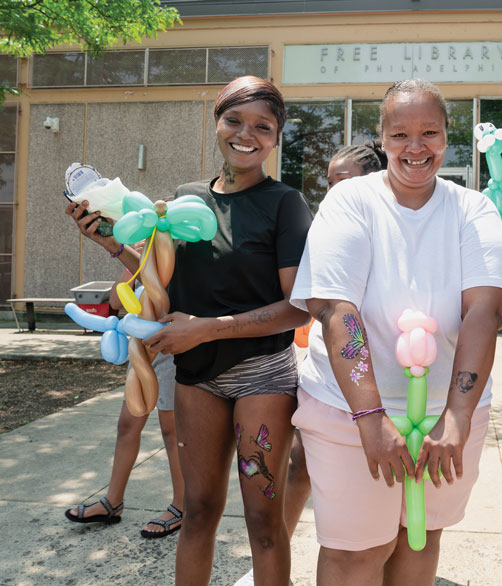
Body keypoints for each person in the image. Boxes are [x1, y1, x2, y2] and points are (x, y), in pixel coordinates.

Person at [289, 78, 502, 585]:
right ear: (382, 137)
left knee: (420, 535)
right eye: (400, 134)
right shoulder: (350, 201)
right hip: (347, 411)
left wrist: (457, 417)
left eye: (429, 132)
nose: (416, 147)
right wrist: (370, 418)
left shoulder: (472, 208)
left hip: (448, 415)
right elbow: (336, 309)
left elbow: (485, 310)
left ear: (447, 136)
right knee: (354, 550)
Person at [141, 76, 313, 586]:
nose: (246, 134)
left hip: (263, 374)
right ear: (216, 123)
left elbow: (297, 308)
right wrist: (109, 240)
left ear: (276, 138)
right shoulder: (183, 201)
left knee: (262, 520)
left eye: (263, 126)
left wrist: (205, 330)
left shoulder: (285, 203)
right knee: (197, 511)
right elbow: (160, 282)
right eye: (234, 120)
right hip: (197, 376)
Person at [283, 140, 389, 544]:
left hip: (383, 385)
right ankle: (271, 566)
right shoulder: (326, 229)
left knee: (377, 479)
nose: (331, 192)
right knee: (300, 466)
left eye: (341, 181)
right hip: (325, 381)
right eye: (328, 182)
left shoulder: (396, 229)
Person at [63, 206, 185, 539]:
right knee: (127, 424)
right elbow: (116, 303)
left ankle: (181, 505)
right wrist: (127, 255)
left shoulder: (177, 264)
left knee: (172, 430)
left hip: (169, 350)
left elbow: (167, 299)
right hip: (140, 350)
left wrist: (141, 260)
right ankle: (112, 501)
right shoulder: (141, 263)